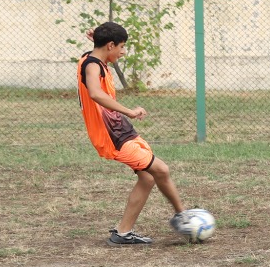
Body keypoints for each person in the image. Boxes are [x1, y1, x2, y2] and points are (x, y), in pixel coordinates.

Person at [77, 21, 191, 246]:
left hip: (120, 130)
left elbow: (97, 54)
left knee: (148, 177)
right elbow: (95, 93)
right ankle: (185, 218)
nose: (123, 52)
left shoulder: (91, 58)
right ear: (110, 45)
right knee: (161, 169)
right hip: (111, 136)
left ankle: (123, 233)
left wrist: (98, 41)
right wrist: (129, 111)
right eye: (121, 46)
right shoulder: (92, 65)